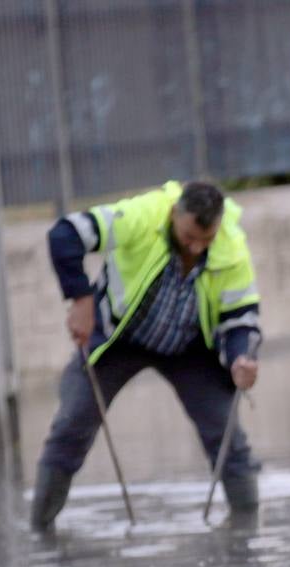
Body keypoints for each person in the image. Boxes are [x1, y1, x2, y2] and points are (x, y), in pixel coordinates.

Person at [30, 180, 262, 531]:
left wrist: (241, 358)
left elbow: (240, 317)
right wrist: (81, 298)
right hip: (118, 340)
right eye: (188, 238)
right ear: (173, 215)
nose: (197, 248)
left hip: (190, 348)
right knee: (71, 426)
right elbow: (66, 234)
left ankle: (247, 534)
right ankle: (40, 531)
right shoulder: (142, 215)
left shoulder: (232, 245)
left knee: (227, 435)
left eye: (206, 240)